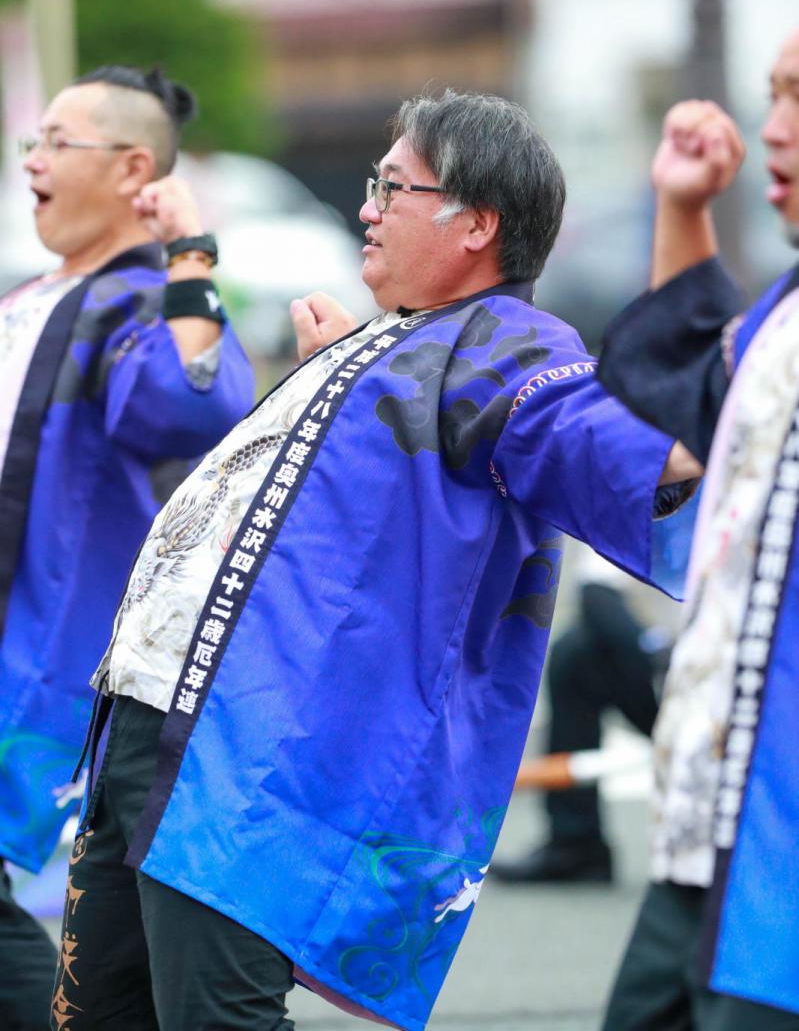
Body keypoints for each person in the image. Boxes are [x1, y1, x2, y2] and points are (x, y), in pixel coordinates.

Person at [56, 89, 696, 1031]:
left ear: (475, 224)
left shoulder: (505, 341)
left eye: (393, 188)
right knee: (103, 1014)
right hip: (159, 712)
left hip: (251, 751)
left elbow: (613, 446)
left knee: (212, 1016)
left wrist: (709, 412)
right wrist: (346, 377)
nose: (366, 207)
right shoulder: (396, 338)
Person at [0, 65, 253, 1030]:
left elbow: (190, 404)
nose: (33, 160)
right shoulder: (33, 295)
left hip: (50, 648)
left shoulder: (140, 297)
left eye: (56, 142)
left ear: (132, 167)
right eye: (33, 141)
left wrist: (187, 250)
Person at [597, 29, 799, 1028]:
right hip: (714, 819)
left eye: (798, 98)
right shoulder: (782, 317)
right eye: (773, 95)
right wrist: (682, 207)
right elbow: (687, 376)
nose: (774, 129)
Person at [490, 553, 662, 885]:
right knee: (577, 653)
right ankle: (577, 843)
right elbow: (597, 591)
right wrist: (656, 654)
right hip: (670, 671)